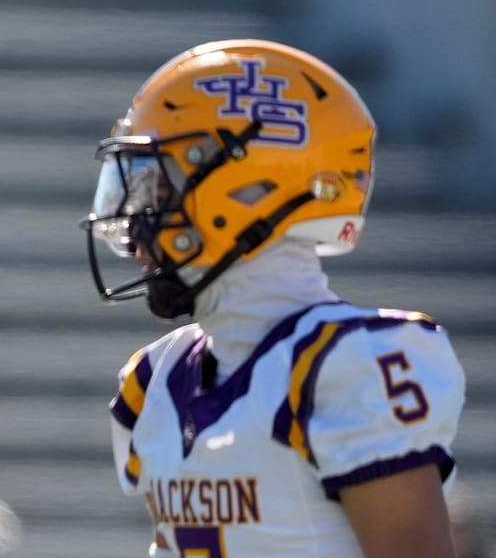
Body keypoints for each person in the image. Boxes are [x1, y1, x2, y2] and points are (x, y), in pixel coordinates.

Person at [81, 39, 465, 557]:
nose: (135, 226)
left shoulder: (347, 367)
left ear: (245, 188)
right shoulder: (159, 376)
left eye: (158, 191)